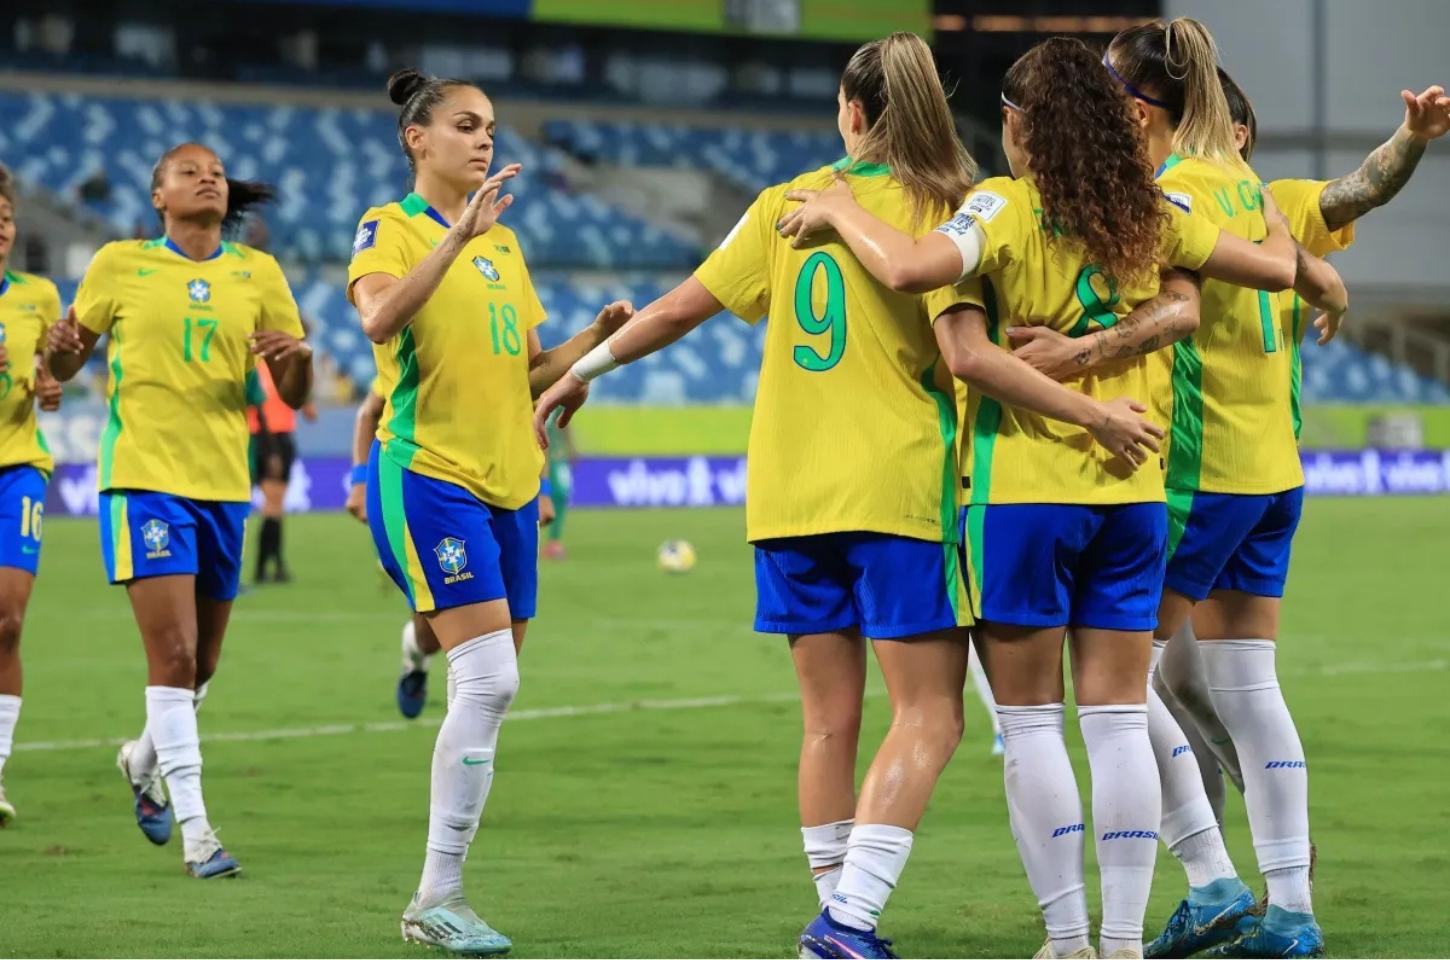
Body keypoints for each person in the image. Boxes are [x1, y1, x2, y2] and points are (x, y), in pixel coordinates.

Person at [534, 33, 1171, 960]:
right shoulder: (952, 206)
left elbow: (674, 310)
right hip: (900, 491)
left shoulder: (785, 203)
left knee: (828, 724)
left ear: (853, 112)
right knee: (934, 715)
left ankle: (835, 917)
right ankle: (849, 920)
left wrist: (575, 371)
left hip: (788, 495)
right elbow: (972, 349)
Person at [776, 35, 1301, 958]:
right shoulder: (1147, 214)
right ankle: (1126, 942)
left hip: (1022, 496)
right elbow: (1270, 273)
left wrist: (837, 211)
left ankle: (1066, 939)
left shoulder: (1001, 209)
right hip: (1134, 495)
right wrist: (1269, 210)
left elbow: (909, 270)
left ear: (1019, 128)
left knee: (1031, 729)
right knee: (1115, 724)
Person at [348, 68, 633, 954]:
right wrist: (455, 238)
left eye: (492, 128)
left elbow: (525, 373)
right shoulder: (387, 229)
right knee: (493, 681)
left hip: (513, 484)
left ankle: (415, 640)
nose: (484, 141)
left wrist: (591, 342)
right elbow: (378, 318)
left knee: (492, 673)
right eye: (466, 126)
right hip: (429, 473)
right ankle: (437, 896)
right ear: (416, 140)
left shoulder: (506, 247)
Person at [1101, 20, 1352, 957]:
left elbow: (1173, 313)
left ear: (1136, 111)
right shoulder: (1245, 185)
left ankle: (1208, 878)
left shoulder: (1167, 193)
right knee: (1249, 689)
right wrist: (1326, 282)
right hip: (1274, 473)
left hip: (1200, 476)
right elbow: (1294, 264)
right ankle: (1291, 910)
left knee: (1115, 683)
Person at [47, 142, 313, 878]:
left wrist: (302, 357)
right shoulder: (118, 264)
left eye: (218, 171)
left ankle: (139, 759)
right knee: (173, 656)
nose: (208, 177)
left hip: (225, 484)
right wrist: (64, 350)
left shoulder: (258, 274)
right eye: (189, 169)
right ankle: (200, 831)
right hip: (144, 478)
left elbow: (292, 390)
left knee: (203, 666)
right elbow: (68, 360)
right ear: (158, 194)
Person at [0, 164, 64, 826]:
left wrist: (50, 389)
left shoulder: (37, 296)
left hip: (16, 468)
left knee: (8, 620)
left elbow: (50, 376)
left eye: (7, 218)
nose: (2, 228)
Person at [346, 377, 444, 718]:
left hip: (493, 490)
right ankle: (415, 655)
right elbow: (368, 413)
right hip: (423, 490)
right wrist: (360, 482)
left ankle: (474, 725)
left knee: (497, 616)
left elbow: (530, 411)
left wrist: (543, 486)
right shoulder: (415, 356)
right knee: (433, 633)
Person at [248, 357, 316, 584]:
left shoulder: (282, 366)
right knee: (272, 505)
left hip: (281, 437)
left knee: (276, 506)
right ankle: (264, 567)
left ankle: (274, 565)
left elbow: (309, 410)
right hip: (266, 438)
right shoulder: (258, 365)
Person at [540, 414, 572, 561]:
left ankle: (553, 541)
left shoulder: (559, 403)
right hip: (544, 454)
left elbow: (566, 422)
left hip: (556, 455)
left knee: (560, 495)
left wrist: (570, 446)